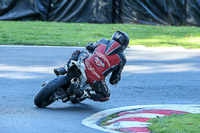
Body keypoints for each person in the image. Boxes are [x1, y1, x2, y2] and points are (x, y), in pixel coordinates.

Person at [54, 31, 129, 102]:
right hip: (95, 79)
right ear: (124, 45)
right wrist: (114, 80)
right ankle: (84, 93)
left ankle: (64, 68)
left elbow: (89, 46)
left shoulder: (103, 41)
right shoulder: (122, 59)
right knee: (105, 95)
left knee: (79, 52)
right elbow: (114, 79)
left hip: (85, 64)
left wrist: (92, 48)